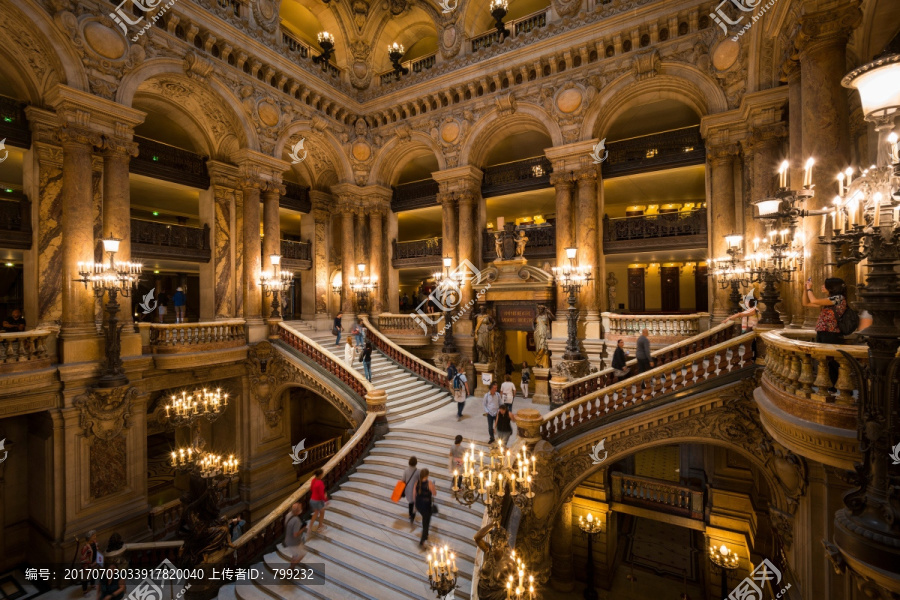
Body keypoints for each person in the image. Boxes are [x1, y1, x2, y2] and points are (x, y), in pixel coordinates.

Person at [802, 277, 848, 387]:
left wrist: (809, 289)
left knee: (833, 362)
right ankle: (829, 387)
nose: (822, 286)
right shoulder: (829, 300)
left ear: (832, 288)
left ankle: (838, 388)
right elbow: (806, 303)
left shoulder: (839, 298)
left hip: (832, 333)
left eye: (825, 285)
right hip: (823, 332)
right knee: (825, 362)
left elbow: (813, 300)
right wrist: (805, 289)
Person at [414, 469, 437, 547]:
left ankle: (426, 534)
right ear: (427, 475)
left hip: (419, 504)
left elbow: (414, 494)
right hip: (426, 506)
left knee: (426, 519)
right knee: (426, 522)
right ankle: (422, 541)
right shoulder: (429, 483)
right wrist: (433, 486)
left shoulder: (417, 482)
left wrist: (416, 505)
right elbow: (434, 494)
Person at [283, 501, 308, 566]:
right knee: (302, 555)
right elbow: (295, 534)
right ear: (297, 511)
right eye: (300, 508)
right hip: (294, 542)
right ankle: (291, 570)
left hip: (287, 539)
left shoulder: (288, 515)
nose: (301, 509)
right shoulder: (296, 520)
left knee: (295, 555)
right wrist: (303, 528)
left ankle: (292, 569)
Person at [308, 469, 328, 534]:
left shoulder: (313, 480)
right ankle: (320, 527)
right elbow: (321, 494)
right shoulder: (320, 483)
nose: (322, 475)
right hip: (317, 501)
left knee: (316, 513)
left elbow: (311, 489)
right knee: (322, 512)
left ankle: (310, 527)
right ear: (320, 475)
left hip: (312, 500)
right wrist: (326, 500)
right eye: (322, 474)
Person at [402, 457, 420, 523]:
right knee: (415, 503)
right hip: (415, 490)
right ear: (416, 463)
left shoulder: (406, 470)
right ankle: (413, 515)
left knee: (410, 502)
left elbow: (403, 480)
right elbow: (420, 481)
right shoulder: (418, 472)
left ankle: (410, 514)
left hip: (407, 490)